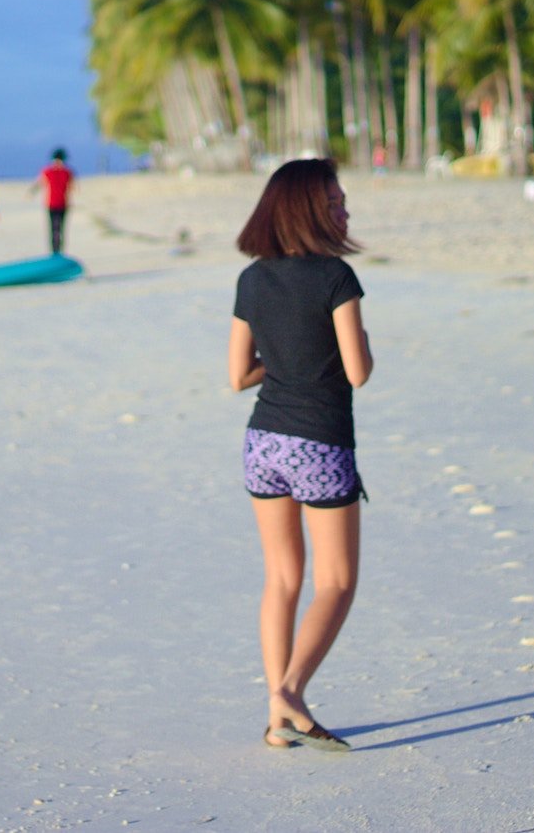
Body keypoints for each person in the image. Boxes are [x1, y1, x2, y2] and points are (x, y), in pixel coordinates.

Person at [227, 158, 373, 754]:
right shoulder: (337, 277)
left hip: (263, 441)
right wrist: (358, 345)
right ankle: (289, 693)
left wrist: (282, 367)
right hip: (320, 441)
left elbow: (238, 375)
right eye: (336, 201)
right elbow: (358, 373)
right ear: (311, 209)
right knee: (336, 582)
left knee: (282, 578)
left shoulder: (252, 280)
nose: (345, 210)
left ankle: (276, 719)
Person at [29, 148, 74, 255]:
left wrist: (31, 192)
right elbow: (72, 188)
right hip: (62, 203)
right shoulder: (67, 172)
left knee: (53, 229)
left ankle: (54, 252)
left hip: (52, 203)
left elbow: (39, 183)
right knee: (61, 229)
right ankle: (59, 252)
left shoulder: (47, 171)